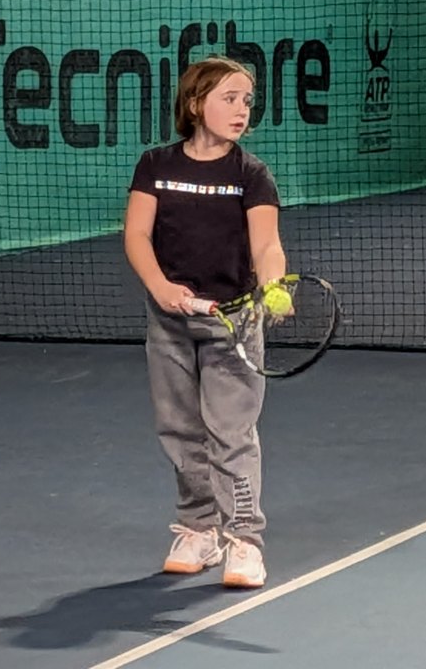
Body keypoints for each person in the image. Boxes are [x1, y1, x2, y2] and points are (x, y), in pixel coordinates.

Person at [123, 55, 287, 589]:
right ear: (196, 104)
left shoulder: (251, 174)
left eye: (247, 101)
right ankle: (199, 530)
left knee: (231, 434)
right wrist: (160, 287)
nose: (242, 110)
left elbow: (266, 244)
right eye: (229, 99)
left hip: (232, 323)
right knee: (180, 430)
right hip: (169, 322)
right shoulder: (155, 165)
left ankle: (245, 541)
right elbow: (137, 236)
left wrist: (274, 285)